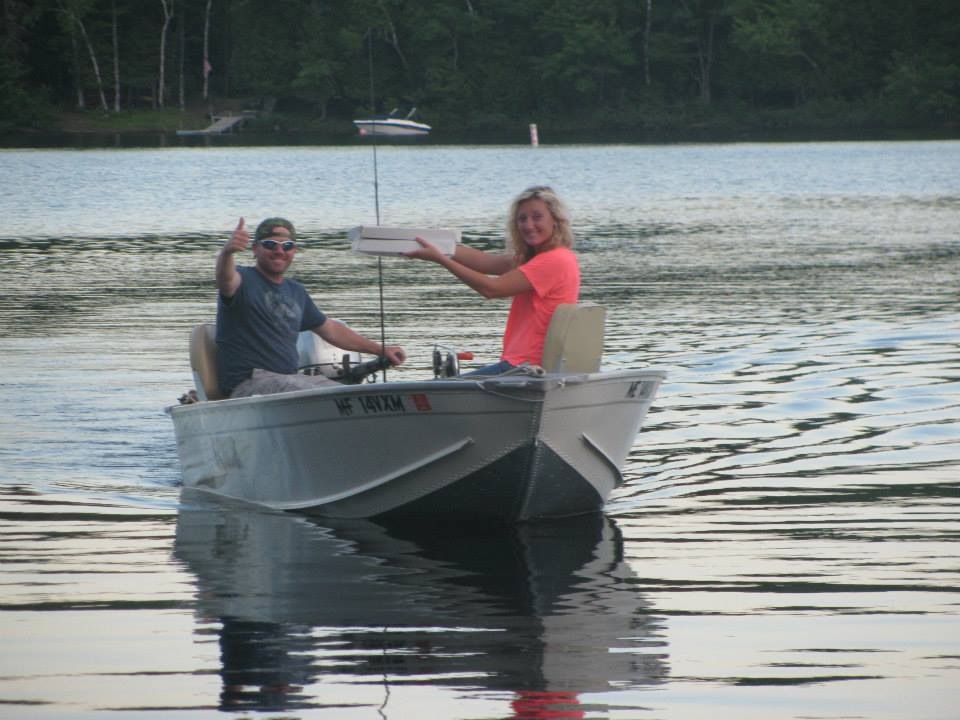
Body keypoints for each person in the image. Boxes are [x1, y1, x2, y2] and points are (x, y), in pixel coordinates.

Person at [215, 216, 406, 398]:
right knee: (318, 393)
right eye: (271, 244)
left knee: (351, 393)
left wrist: (380, 350)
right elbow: (225, 279)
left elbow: (330, 330)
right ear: (255, 249)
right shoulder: (241, 279)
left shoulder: (296, 291)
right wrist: (227, 252)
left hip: (291, 378)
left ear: (294, 251)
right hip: (250, 383)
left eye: (287, 246)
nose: (279, 251)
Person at [406, 186, 579, 375]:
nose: (528, 225)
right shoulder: (544, 258)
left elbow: (492, 289)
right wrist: (439, 246)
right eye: (522, 219)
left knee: (441, 389)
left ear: (555, 221)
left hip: (525, 367)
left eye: (537, 217)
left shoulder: (553, 260)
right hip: (523, 365)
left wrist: (440, 259)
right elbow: (484, 262)